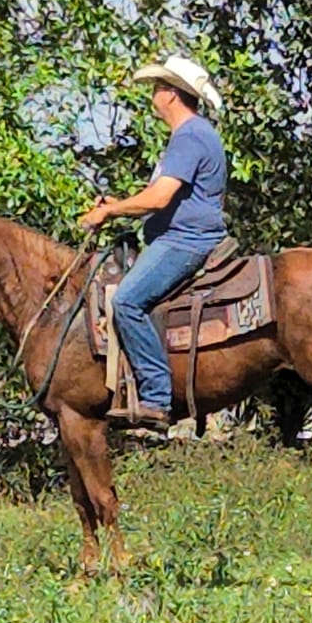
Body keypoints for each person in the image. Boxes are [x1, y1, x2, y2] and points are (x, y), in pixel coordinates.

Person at [78, 55, 229, 431]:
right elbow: (163, 198)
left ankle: (157, 397)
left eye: (158, 87)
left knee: (127, 301)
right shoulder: (192, 135)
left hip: (186, 241)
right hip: (179, 236)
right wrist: (122, 205)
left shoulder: (190, 136)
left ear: (172, 95)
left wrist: (108, 212)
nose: (154, 95)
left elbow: (160, 198)